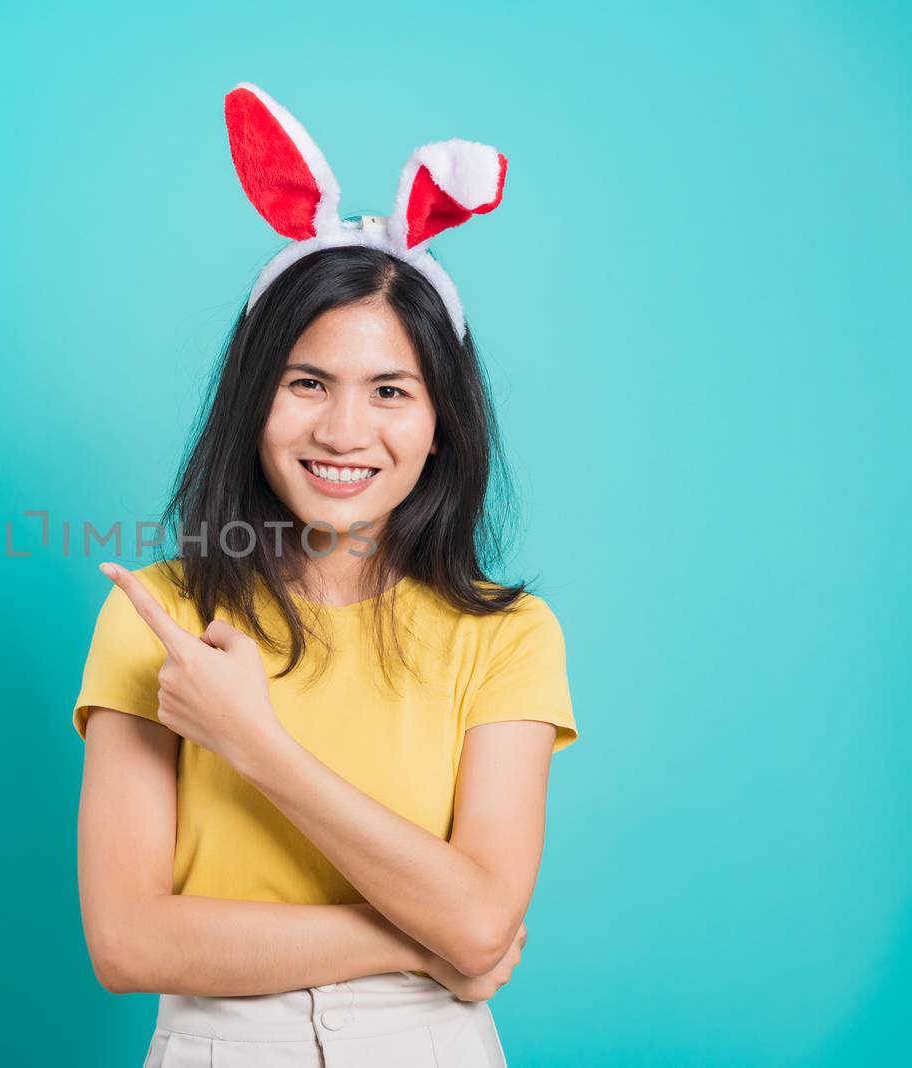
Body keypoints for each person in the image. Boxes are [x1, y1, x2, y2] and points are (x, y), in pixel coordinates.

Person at [69, 83, 579, 1068]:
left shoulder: (508, 637)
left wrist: (252, 743)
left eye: (390, 391)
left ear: (440, 426)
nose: (344, 432)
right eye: (307, 384)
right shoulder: (158, 616)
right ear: (252, 402)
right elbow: (127, 943)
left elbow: (482, 919)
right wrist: (425, 938)